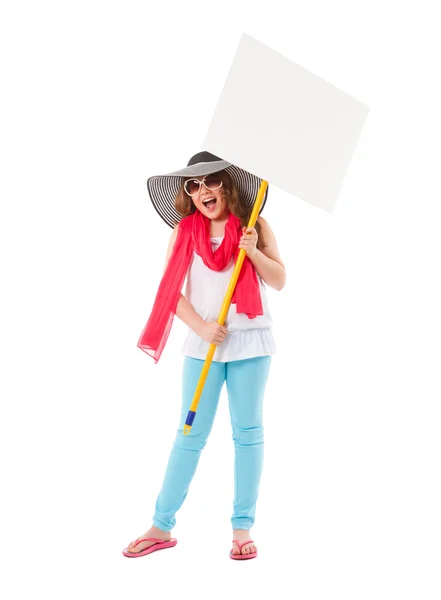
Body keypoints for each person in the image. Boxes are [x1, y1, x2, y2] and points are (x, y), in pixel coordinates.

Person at [122, 151, 286, 560]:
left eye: (210, 181)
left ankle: (241, 529)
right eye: (193, 185)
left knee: (248, 434)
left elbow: (279, 280)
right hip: (203, 348)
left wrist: (253, 251)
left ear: (226, 184)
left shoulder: (255, 225)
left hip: (250, 344)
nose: (202, 191)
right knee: (190, 433)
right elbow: (169, 291)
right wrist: (201, 327)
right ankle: (161, 526)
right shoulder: (184, 231)